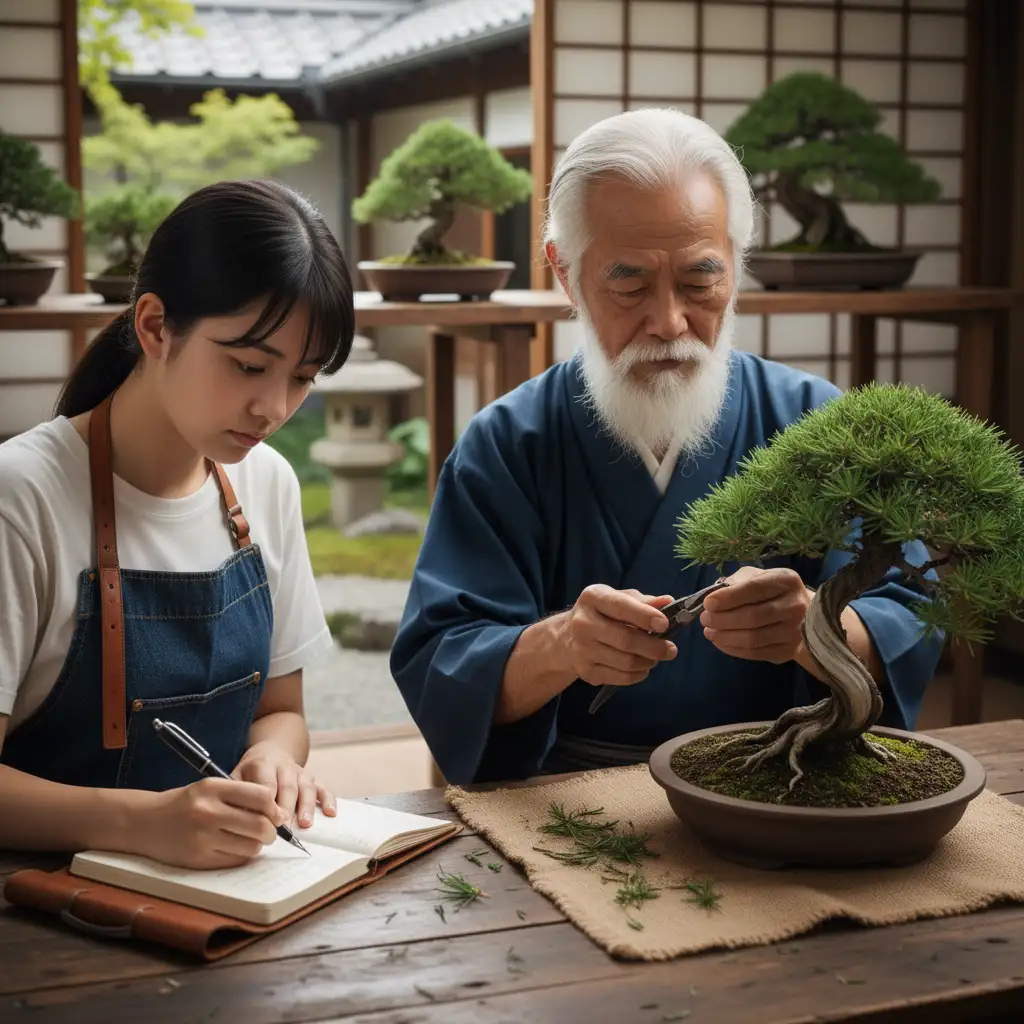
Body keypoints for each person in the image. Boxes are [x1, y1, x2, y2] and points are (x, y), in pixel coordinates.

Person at [391, 109, 944, 785]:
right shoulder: (508, 444)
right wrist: (564, 644)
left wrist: (818, 632)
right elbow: (444, 659)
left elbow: (913, 615)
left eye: (699, 280)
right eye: (629, 283)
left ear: (736, 268)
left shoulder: (817, 422)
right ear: (565, 273)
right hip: (567, 794)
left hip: (783, 781)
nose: (669, 322)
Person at [0, 179, 355, 868]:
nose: (273, 408)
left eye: (304, 376)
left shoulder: (266, 484)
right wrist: (145, 823)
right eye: (249, 365)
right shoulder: (21, 496)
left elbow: (281, 709)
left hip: (225, 893)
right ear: (155, 326)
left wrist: (274, 759)